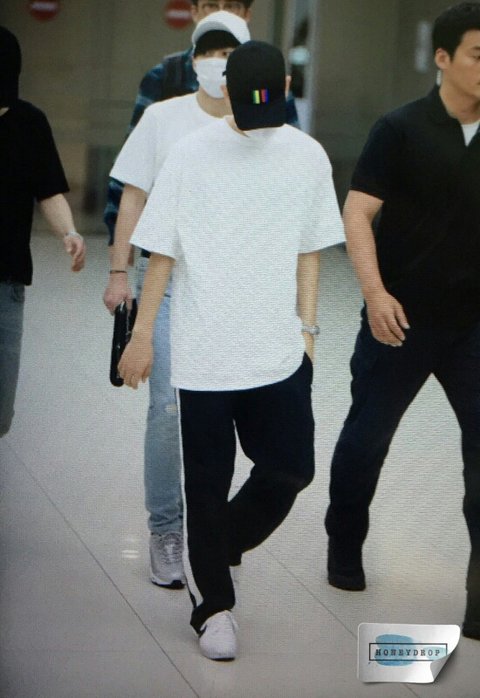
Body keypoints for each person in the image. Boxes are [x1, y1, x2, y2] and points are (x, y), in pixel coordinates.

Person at [118, 40, 344, 661]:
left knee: (292, 468)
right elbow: (161, 251)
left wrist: (307, 334)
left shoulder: (307, 156)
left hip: (276, 349)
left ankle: (215, 545)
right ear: (226, 93)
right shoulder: (192, 154)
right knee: (207, 486)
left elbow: (309, 251)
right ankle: (212, 606)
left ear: (287, 90)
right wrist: (143, 335)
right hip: (205, 352)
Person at [324, 1, 480, 641]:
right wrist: (374, 293)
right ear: (443, 58)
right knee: (366, 440)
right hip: (401, 317)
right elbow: (357, 212)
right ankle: (344, 543)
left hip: (474, 326)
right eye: (479, 54)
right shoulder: (400, 128)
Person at [104, 13, 251, 589]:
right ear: (193, 61)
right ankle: (166, 529)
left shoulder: (258, 123)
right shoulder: (163, 117)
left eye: (230, 53)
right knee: (166, 407)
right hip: (163, 285)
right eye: (209, 52)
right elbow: (133, 197)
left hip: (231, 288)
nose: (218, 63)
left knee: (223, 411)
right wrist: (120, 272)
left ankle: (211, 530)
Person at [103, 0, 299, 243]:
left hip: (244, 233)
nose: (220, 13)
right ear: (194, 12)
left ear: (247, 14)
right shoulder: (165, 77)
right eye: (210, 5)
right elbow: (134, 169)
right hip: (168, 238)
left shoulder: (267, 80)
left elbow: (290, 154)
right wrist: (118, 240)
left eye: (231, 6)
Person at [0, 26, 86, 439]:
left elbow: (48, 191)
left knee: (1, 412)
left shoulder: (29, 123)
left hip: (7, 278)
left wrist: (69, 232)